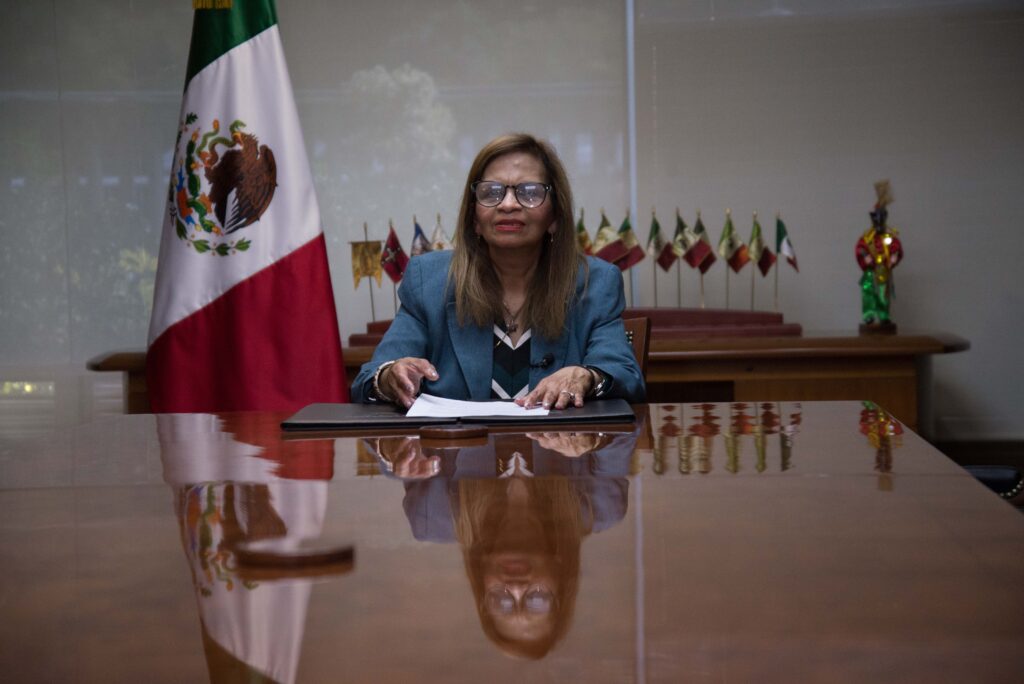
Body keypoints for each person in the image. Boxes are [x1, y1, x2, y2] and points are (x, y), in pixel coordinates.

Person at [350, 133, 645, 408]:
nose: (508, 204)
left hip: (559, 446)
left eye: (530, 192)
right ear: (474, 218)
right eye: (491, 192)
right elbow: (368, 380)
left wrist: (588, 376)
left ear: (555, 216)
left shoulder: (595, 282)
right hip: (460, 447)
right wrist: (390, 377)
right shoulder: (428, 281)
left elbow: (626, 377)